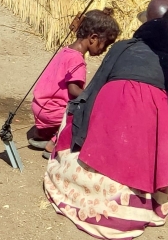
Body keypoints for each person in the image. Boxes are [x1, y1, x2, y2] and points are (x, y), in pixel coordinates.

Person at [43, 3, 168, 240]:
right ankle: (138, 203)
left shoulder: (123, 48)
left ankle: (84, 185)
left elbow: (92, 90)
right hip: (156, 110)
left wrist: (71, 133)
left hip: (113, 101)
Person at [29, 10, 119, 158]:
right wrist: (94, 97)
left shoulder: (66, 51)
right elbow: (73, 90)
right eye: (105, 45)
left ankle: (43, 134)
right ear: (93, 38)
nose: (104, 50)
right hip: (52, 112)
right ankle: (53, 144)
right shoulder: (77, 60)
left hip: (39, 106)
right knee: (87, 109)